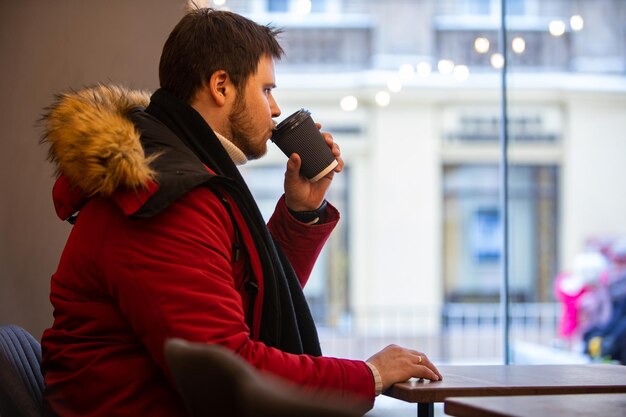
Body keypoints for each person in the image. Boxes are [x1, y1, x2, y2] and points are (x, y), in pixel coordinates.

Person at [40, 7, 442, 417]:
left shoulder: (176, 169)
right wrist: (368, 375)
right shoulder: (167, 197)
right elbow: (229, 370)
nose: (274, 108)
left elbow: (246, 296)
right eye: (266, 90)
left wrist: (301, 212)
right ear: (221, 86)